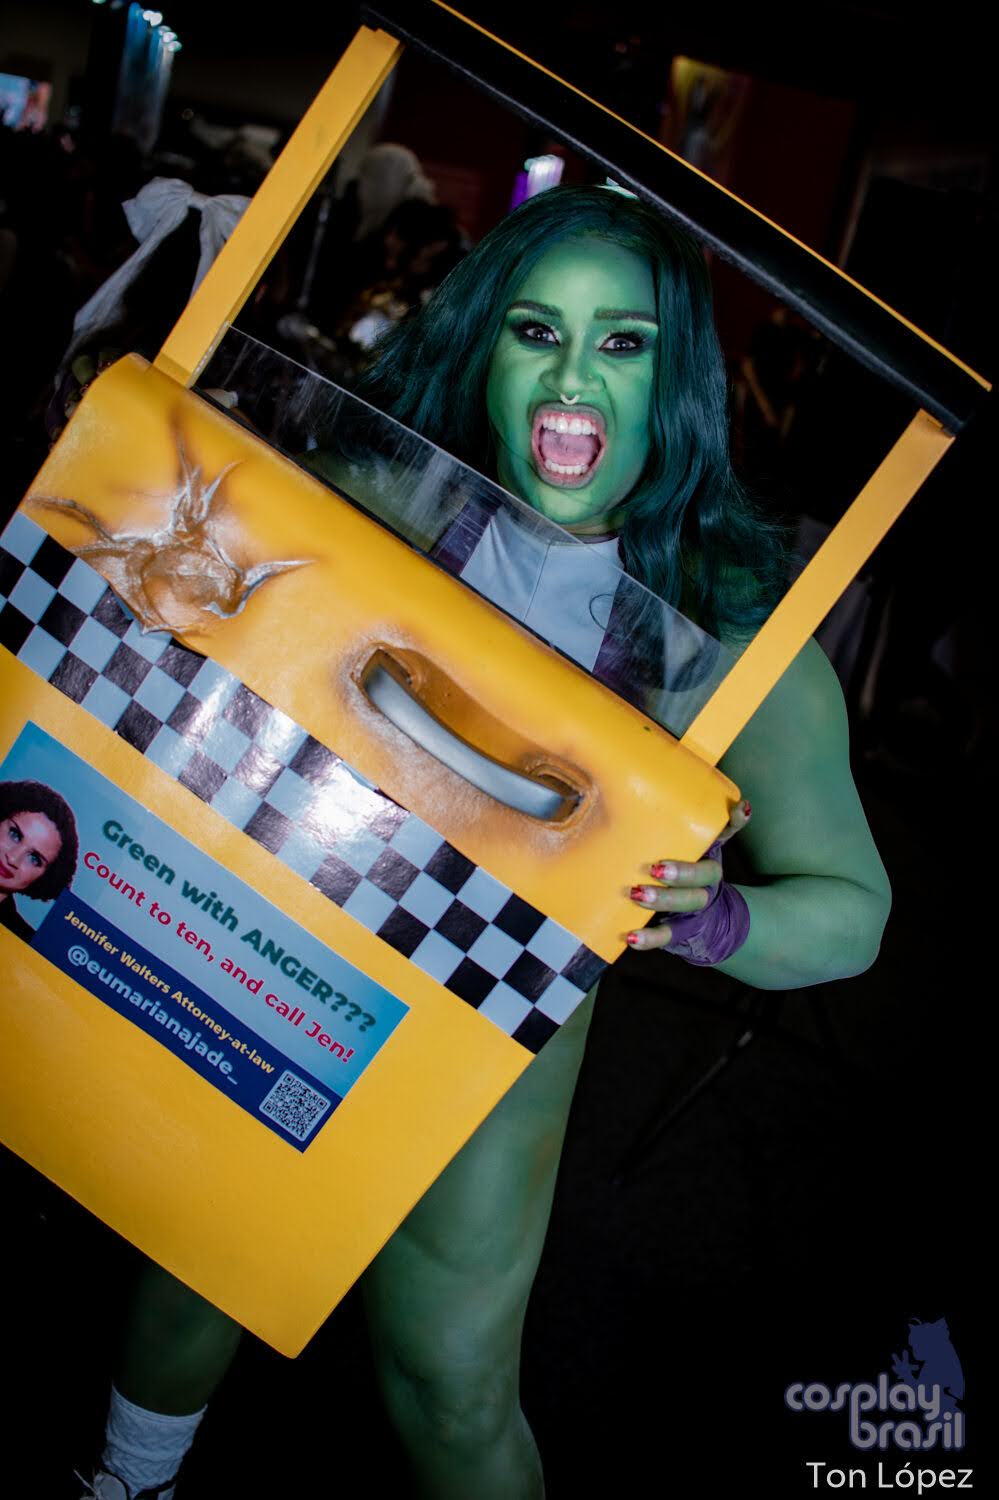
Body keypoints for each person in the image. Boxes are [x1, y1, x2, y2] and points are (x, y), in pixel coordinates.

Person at [79, 185, 891, 1500]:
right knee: (197, 1260)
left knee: (449, 1387)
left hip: (497, 1032)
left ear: (676, 377)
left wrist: (712, 916)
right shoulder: (372, 500)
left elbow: (853, 917)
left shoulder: (733, 643)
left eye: (621, 342)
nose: (573, 377)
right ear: (488, 349)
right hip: (287, 947)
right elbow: (146, 569)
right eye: (537, 330)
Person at [0, 780, 79, 940]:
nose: (13, 858)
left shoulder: (25, 941)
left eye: (34, 858)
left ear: (45, 876)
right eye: (15, 835)